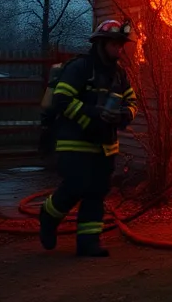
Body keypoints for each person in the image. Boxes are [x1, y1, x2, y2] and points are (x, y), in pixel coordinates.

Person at [38, 18, 138, 258]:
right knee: (76, 186)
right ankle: (48, 216)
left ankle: (88, 242)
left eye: (121, 44)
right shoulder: (81, 68)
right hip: (75, 142)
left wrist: (123, 114)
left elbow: (132, 102)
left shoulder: (120, 74)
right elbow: (62, 99)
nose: (119, 48)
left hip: (105, 146)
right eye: (115, 43)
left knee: (97, 191)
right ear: (101, 43)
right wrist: (94, 114)